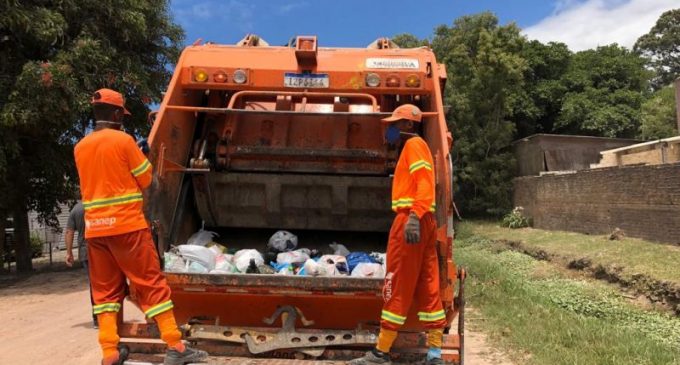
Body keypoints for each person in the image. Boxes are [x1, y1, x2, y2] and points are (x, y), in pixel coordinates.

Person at [74, 88, 208, 365]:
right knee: (151, 284)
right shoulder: (123, 142)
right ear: (115, 114)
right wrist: (142, 157)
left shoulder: (80, 147)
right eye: (121, 115)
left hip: (95, 231)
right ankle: (176, 346)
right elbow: (150, 183)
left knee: (106, 294)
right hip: (127, 228)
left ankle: (110, 352)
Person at [349, 104, 446, 365]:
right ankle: (435, 353)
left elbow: (425, 183)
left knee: (397, 283)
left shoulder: (414, 146)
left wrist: (413, 216)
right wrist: (421, 216)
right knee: (428, 285)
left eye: (393, 124)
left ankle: (381, 352)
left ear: (405, 125)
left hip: (410, 220)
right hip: (425, 221)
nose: (388, 129)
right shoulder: (418, 146)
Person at [65, 200, 98, 328]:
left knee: (94, 284)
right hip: (102, 250)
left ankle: (97, 319)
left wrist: (69, 253)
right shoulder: (97, 205)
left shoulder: (76, 209)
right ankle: (110, 316)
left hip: (86, 252)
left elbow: (69, 232)